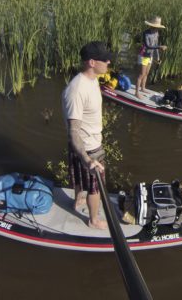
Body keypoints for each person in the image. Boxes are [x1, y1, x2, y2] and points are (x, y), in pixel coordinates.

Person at [62, 41, 111, 229]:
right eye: (105, 60)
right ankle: (93, 220)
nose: (108, 62)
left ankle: (77, 201)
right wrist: (87, 159)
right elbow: (74, 131)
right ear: (92, 62)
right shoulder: (76, 90)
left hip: (86, 145)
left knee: (79, 179)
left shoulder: (92, 79)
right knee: (94, 187)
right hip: (88, 149)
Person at [135, 16, 168, 98]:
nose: (157, 28)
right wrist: (159, 47)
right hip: (143, 55)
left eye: (158, 27)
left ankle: (143, 88)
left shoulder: (157, 33)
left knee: (146, 73)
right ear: (152, 25)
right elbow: (147, 46)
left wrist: (158, 57)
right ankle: (136, 92)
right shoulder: (146, 33)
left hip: (150, 56)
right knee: (141, 74)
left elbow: (156, 45)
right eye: (156, 27)